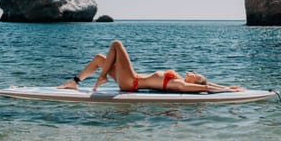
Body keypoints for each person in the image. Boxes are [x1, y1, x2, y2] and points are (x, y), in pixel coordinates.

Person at [58, 40, 244, 93]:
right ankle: (75, 82)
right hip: (132, 80)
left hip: (132, 83)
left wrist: (227, 90)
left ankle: (102, 77)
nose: (193, 72)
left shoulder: (180, 85)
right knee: (100, 58)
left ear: (194, 80)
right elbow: (208, 83)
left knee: (116, 44)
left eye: (196, 74)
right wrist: (226, 85)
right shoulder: (178, 78)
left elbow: (205, 87)